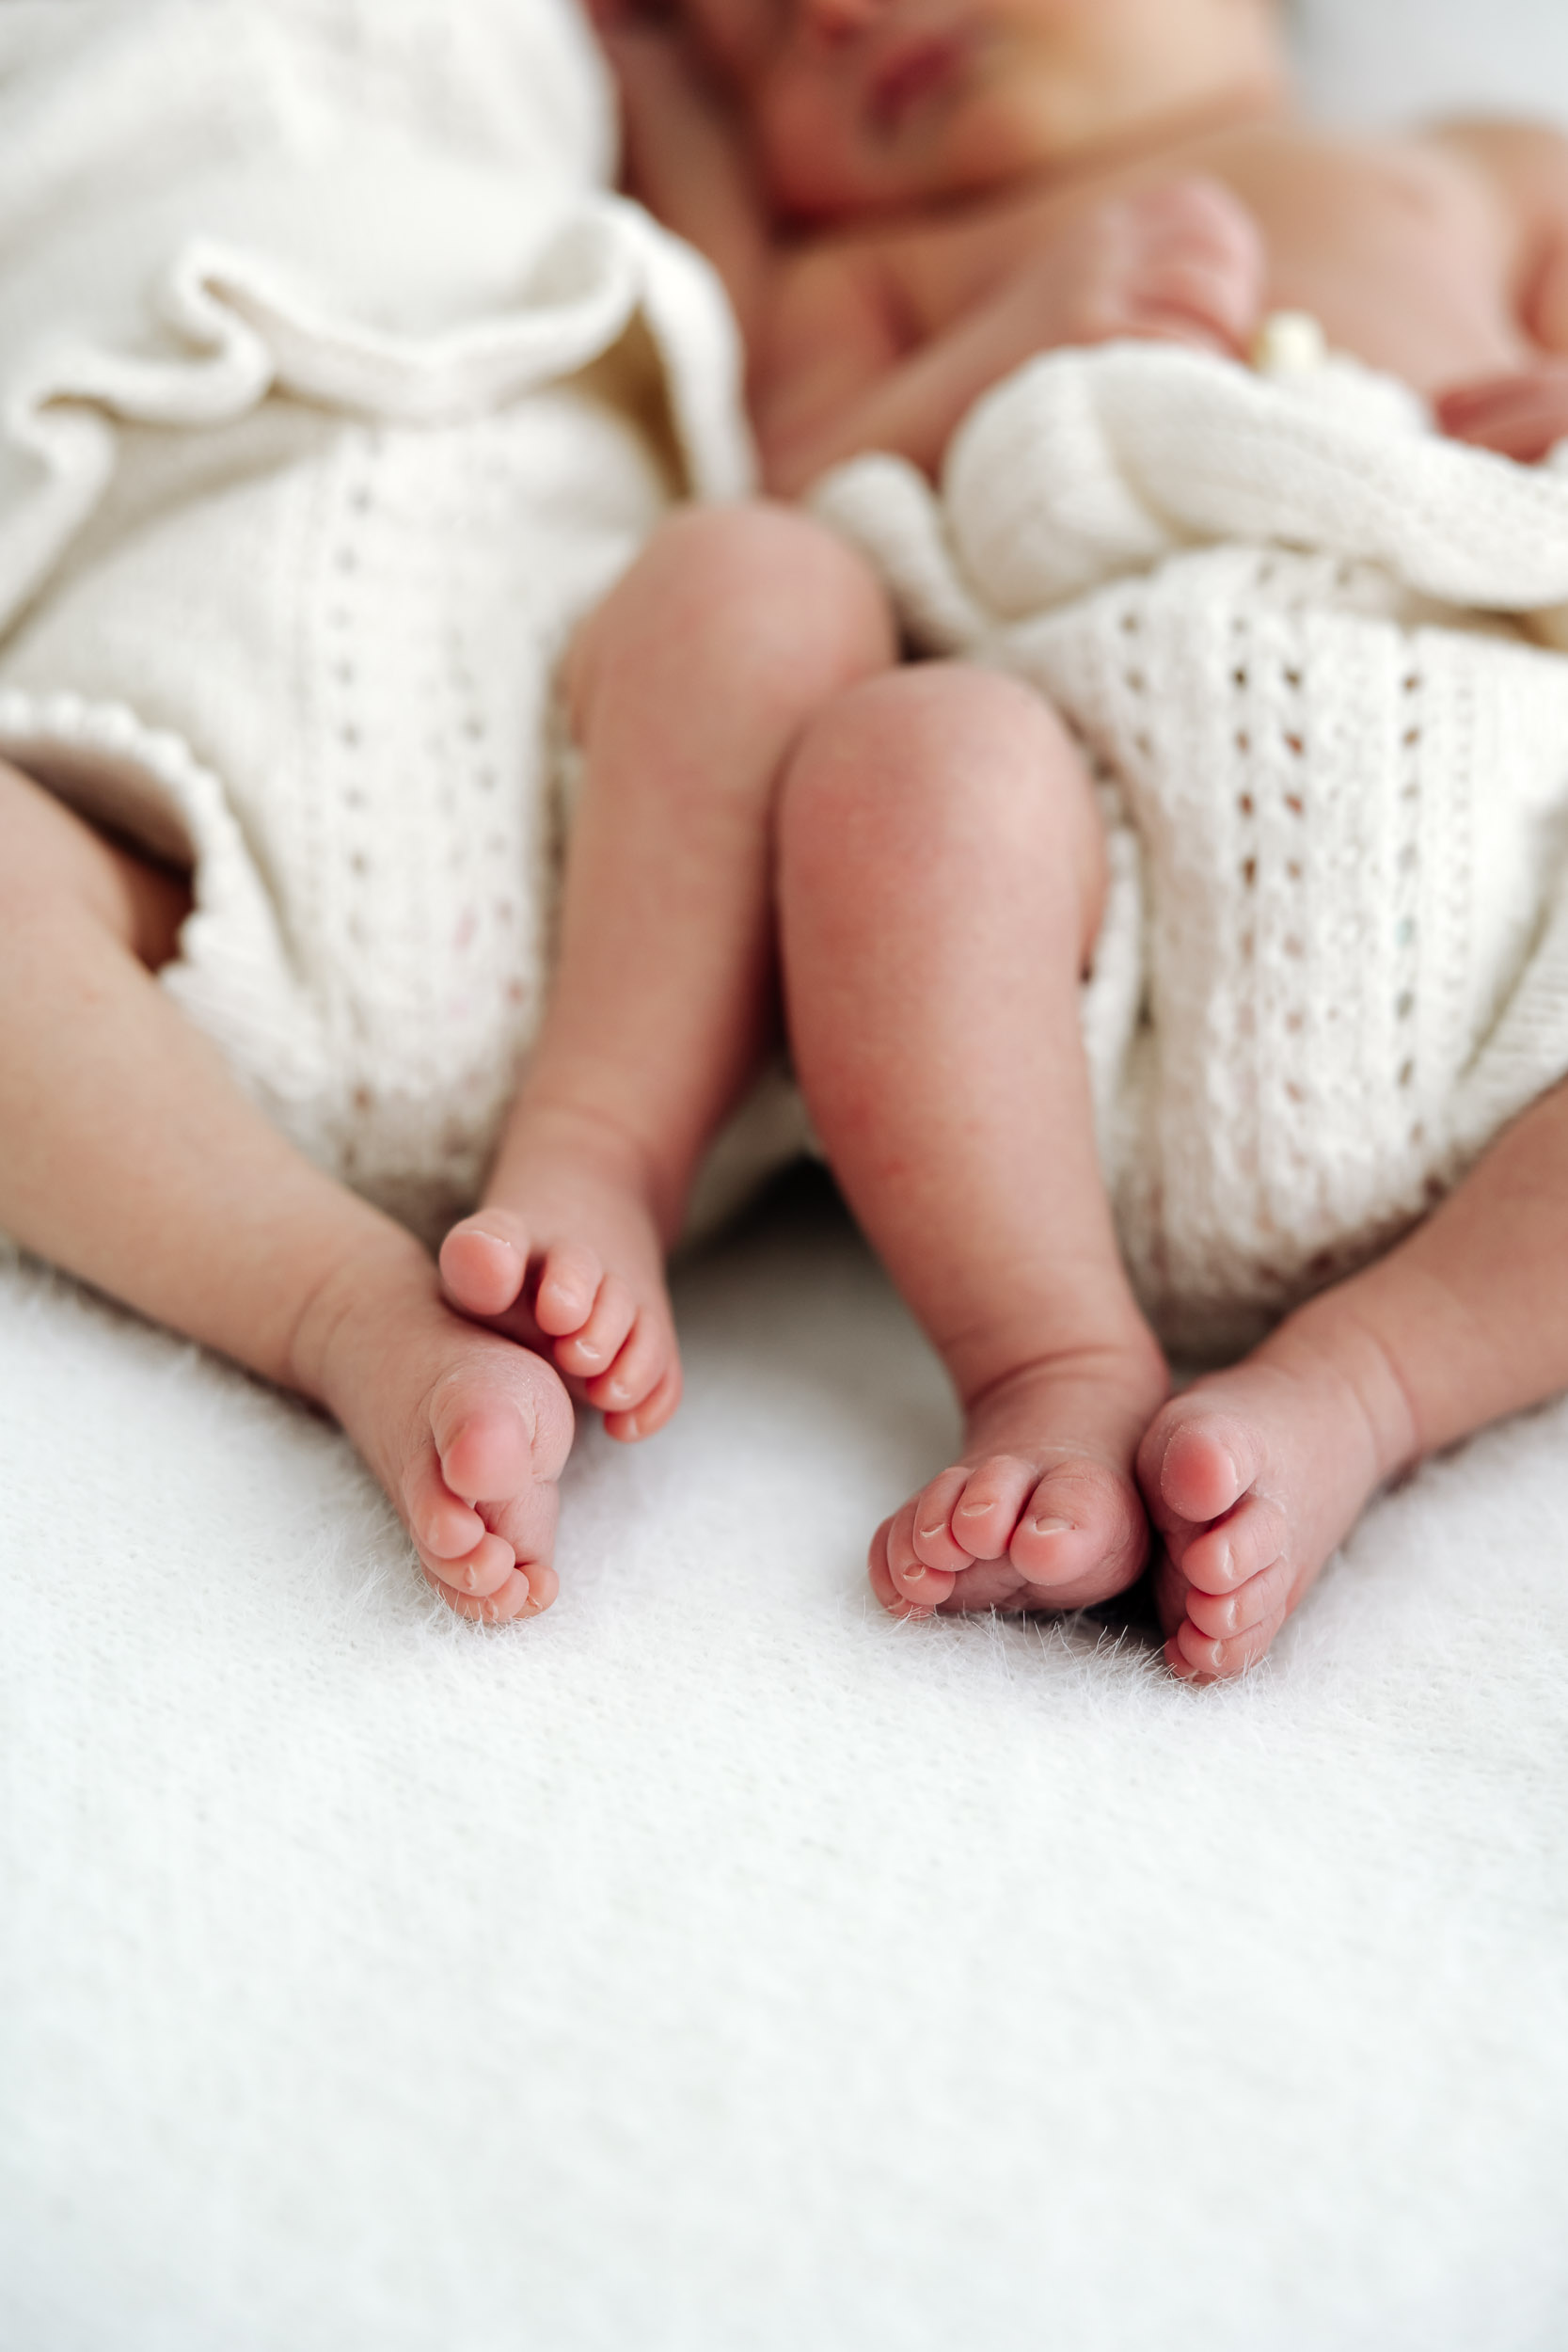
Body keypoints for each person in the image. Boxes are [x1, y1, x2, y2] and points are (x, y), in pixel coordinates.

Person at [5, 0, 1568, 1674]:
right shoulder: (875, 278)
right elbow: (788, 490)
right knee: (904, 764)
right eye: (760, 37)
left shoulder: (1474, 166)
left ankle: (1367, 1384)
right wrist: (1006, 338)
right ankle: (1057, 1361)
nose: (832, 16)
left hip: (1504, 877)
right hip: (1088, 1000)